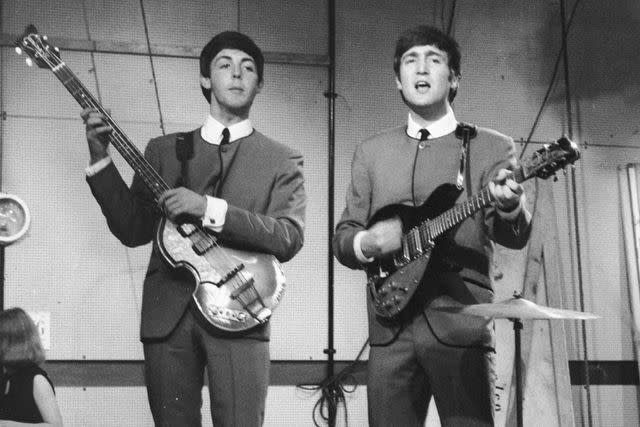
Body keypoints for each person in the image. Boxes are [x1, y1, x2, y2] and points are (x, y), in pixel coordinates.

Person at [81, 31, 306, 426]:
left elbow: (287, 236)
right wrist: (100, 157)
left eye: (248, 67)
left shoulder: (282, 159)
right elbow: (132, 229)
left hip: (242, 308)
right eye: (225, 65)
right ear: (205, 79)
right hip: (166, 314)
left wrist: (209, 209)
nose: (237, 73)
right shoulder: (163, 151)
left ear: (259, 84)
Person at [333, 25, 532, 426]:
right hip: (390, 331)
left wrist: (511, 206)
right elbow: (343, 237)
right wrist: (367, 243)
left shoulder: (492, 146)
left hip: (461, 325)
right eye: (411, 60)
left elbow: (514, 235)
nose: (421, 68)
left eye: (434, 59)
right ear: (397, 79)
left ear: (453, 77)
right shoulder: (371, 153)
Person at [0, 307, 63, 426]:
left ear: (10, 342)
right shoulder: (6, 377)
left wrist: (5, 424)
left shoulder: (37, 380)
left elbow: (55, 426)